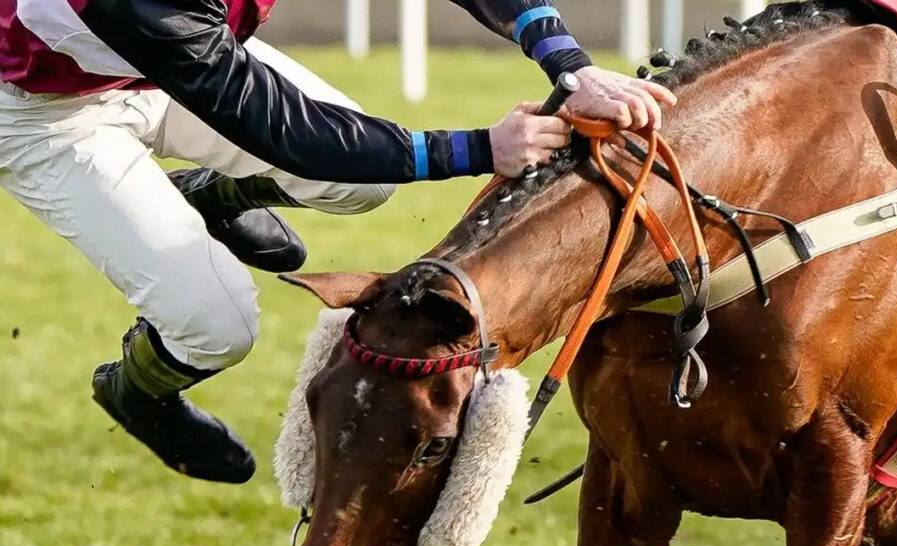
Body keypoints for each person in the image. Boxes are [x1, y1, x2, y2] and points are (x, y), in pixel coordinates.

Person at [0, 0, 676, 484]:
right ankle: (138, 390)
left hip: (167, 64)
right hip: (48, 113)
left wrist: (568, 63)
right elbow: (284, 130)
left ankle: (212, 196)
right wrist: (480, 148)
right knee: (218, 325)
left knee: (363, 188)